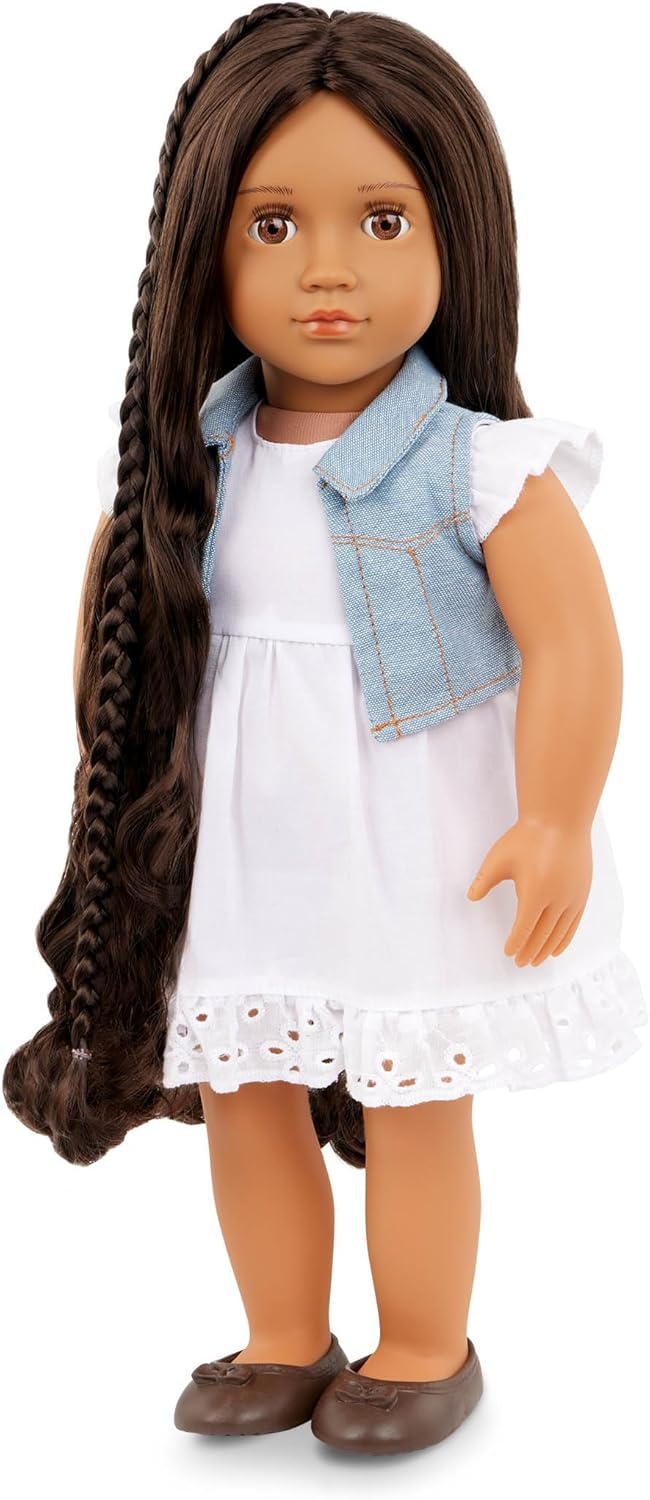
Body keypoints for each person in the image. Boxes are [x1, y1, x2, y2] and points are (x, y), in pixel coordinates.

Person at [4, 3, 647, 1456]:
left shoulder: (483, 468)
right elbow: (116, 641)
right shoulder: (190, 467)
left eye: (382, 219)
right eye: (275, 225)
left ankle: (423, 1345)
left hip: (419, 852)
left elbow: (574, 644)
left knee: (414, 1101)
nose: (331, 269)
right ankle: (283, 1334)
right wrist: (112, 782)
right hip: (242, 850)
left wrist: (552, 816)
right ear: (205, 249)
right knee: (246, 1094)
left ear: (458, 236)